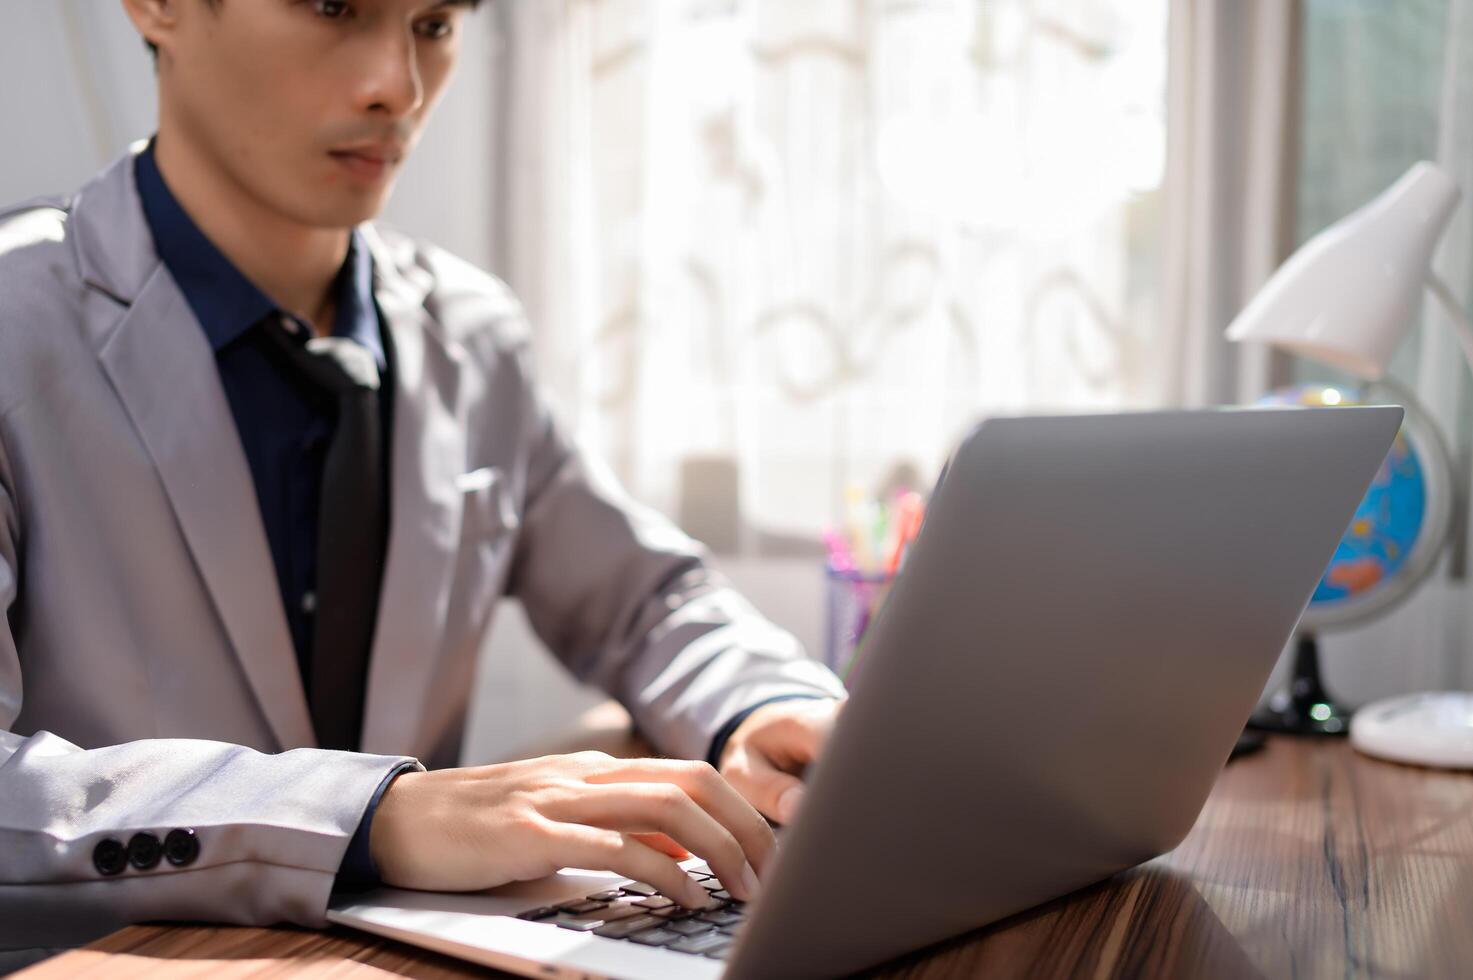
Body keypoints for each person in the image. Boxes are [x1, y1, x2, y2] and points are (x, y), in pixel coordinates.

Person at [0, 0, 846, 964]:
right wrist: (371, 817)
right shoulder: (13, 319)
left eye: (435, 23)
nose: (396, 87)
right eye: (333, 7)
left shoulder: (471, 333)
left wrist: (759, 708)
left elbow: (645, 602)